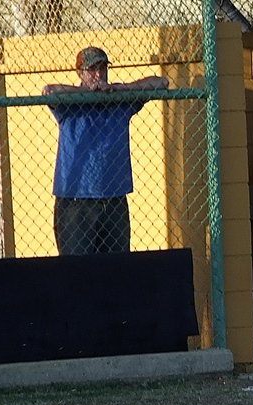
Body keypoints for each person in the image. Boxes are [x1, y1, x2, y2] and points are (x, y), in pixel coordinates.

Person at [43, 46, 169, 256]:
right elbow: (49, 91)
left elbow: (161, 83)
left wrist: (119, 90)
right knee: (77, 271)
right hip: (76, 200)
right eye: (92, 69)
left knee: (116, 270)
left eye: (102, 68)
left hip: (114, 198)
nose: (99, 74)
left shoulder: (118, 102)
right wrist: (86, 93)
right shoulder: (70, 104)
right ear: (81, 74)